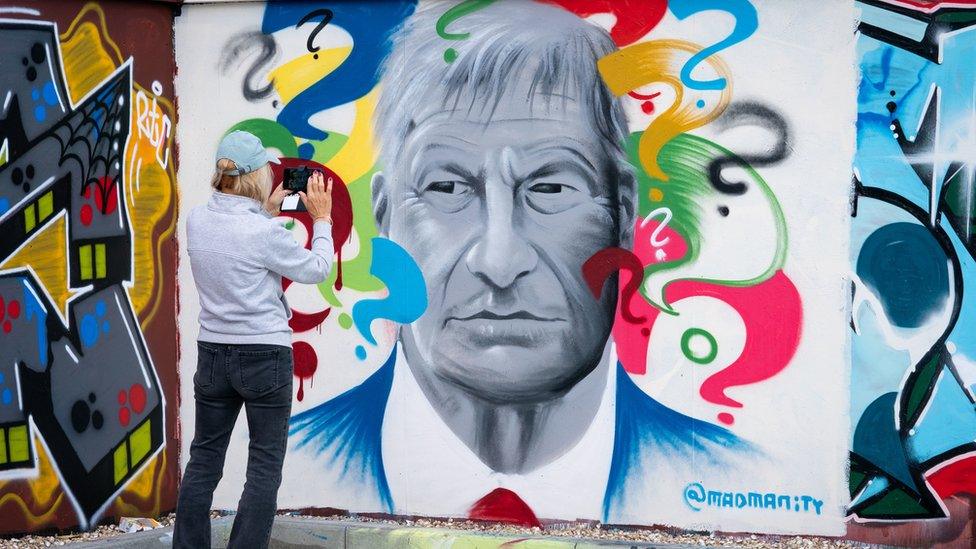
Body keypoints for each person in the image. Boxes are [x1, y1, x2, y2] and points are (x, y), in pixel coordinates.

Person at [290, 0, 753, 525]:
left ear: (624, 212)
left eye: (551, 187)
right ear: (386, 216)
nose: (500, 261)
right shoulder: (288, 464)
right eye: (446, 187)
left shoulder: (742, 475)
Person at [175, 130, 334, 548]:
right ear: (255, 175)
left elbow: (235, 239)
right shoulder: (264, 234)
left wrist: (265, 211)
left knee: (204, 461)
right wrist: (321, 218)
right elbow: (317, 267)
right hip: (264, 355)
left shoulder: (196, 220)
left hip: (212, 354)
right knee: (263, 466)